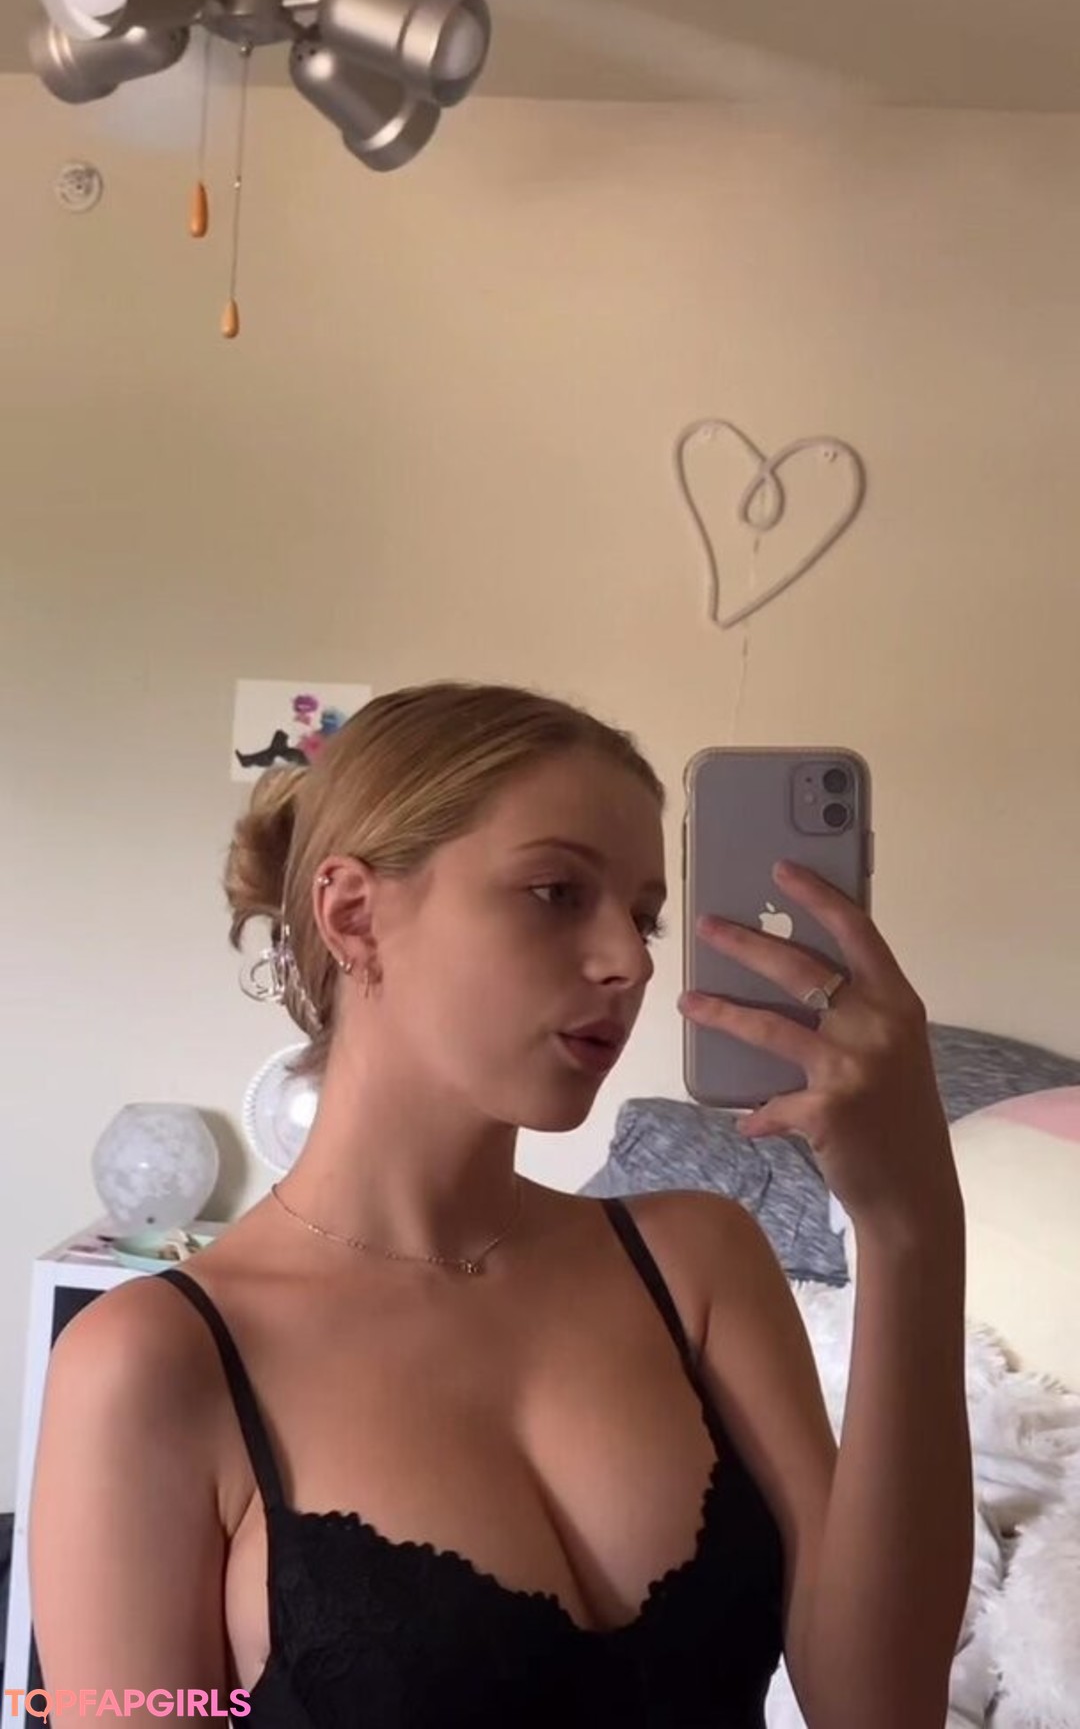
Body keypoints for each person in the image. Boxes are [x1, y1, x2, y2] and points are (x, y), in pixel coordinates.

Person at [29, 681, 973, 1728]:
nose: (630, 961)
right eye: (556, 892)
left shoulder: (698, 1264)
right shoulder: (154, 1364)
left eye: (644, 916)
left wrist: (911, 1224)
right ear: (354, 914)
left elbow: (881, 1708)